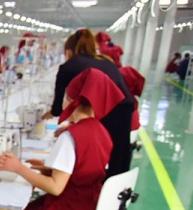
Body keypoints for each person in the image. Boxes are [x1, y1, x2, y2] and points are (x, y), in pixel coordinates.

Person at [0, 69, 126, 210]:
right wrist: (48, 169)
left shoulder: (70, 137)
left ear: (71, 100)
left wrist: (17, 168)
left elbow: (55, 188)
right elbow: (83, 171)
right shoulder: (101, 131)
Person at [48, 29, 134, 178]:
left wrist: (49, 116)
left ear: (68, 51)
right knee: (118, 158)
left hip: (108, 111)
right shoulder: (106, 61)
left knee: (90, 156)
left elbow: (57, 109)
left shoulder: (68, 66)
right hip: (125, 108)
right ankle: (117, 189)